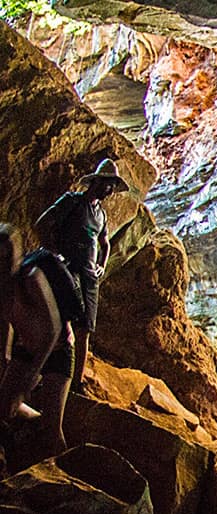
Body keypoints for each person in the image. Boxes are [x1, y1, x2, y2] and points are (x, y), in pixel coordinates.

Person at [34, 158, 130, 394]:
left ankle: (76, 384)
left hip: (89, 277)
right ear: (95, 181)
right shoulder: (72, 202)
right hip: (67, 271)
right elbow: (43, 223)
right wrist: (54, 254)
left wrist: (102, 266)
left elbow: (104, 243)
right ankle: (46, 377)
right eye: (107, 184)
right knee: (60, 325)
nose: (109, 190)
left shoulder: (101, 215)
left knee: (85, 329)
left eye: (113, 186)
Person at [0, 225, 79, 460]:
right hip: (27, 350)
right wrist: (4, 358)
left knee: (53, 430)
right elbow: (6, 323)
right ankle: (36, 423)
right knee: (4, 408)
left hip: (57, 352)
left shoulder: (32, 277)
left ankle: (67, 481)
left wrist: (34, 371)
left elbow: (53, 328)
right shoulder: (3, 286)